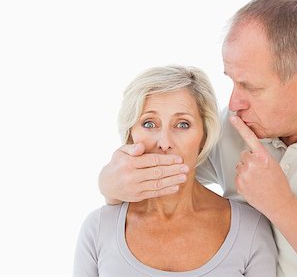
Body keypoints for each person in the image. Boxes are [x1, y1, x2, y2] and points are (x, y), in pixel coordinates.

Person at [98, 0, 297, 276]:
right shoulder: (235, 124)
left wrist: (282, 206)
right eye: (232, 81)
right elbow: (161, 165)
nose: (234, 103)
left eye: (251, 87)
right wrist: (110, 184)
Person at [74, 65, 277, 276]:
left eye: (182, 125)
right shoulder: (98, 228)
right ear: (130, 134)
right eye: (149, 123)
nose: (164, 142)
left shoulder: (250, 230)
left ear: (205, 136)